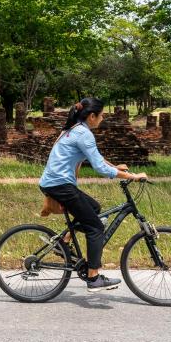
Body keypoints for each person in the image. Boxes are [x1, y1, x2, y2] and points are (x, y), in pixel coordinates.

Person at [39, 97, 148, 292]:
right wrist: (131, 175)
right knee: (95, 228)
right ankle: (94, 277)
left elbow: (96, 157)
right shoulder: (83, 133)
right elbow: (98, 167)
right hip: (60, 185)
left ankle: (62, 243)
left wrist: (115, 166)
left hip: (57, 184)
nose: (103, 118)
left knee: (95, 209)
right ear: (91, 116)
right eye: (101, 115)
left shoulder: (74, 129)